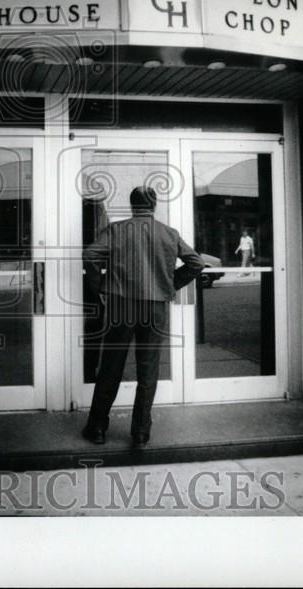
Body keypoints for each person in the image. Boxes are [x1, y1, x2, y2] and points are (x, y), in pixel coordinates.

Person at [81, 186, 205, 447]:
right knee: (148, 370)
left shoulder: (117, 230)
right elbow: (196, 263)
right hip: (155, 307)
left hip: (121, 305)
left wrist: (100, 287)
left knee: (111, 366)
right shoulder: (168, 233)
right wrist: (170, 285)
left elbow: (91, 254)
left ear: (131, 204)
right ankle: (140, 432)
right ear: (154, 205)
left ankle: (98, 428)